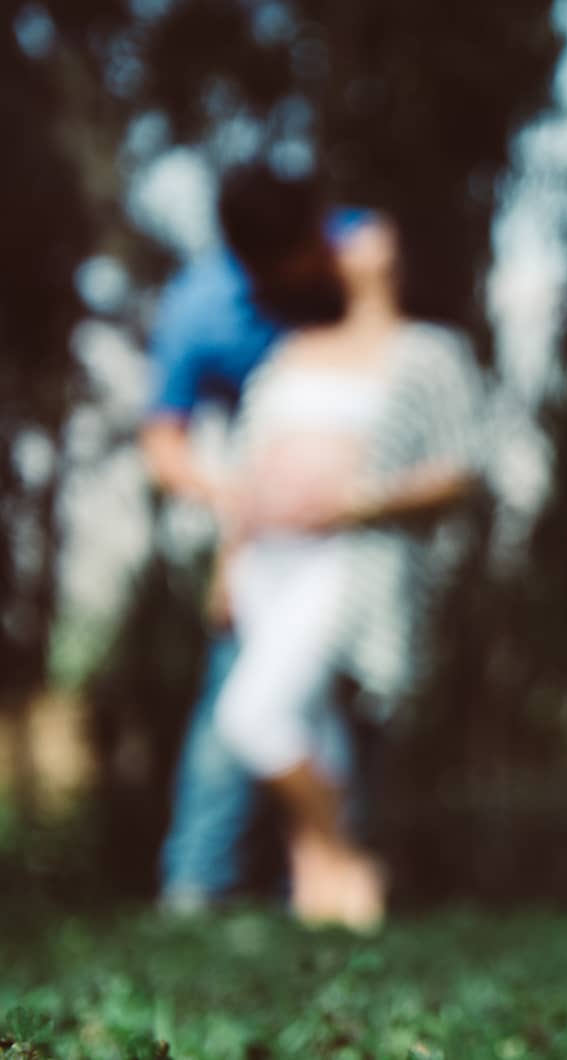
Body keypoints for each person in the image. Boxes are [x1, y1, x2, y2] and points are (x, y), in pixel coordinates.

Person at [211, 208, 484, 929]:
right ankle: (325, 898)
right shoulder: (291, 350)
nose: (345, 236)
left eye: (362, 226)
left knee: (253, 714)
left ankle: (347, 858)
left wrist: (356, 502)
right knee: (313, 728)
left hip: (348, 559)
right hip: (266, 561)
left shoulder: (429, 353)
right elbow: (247, 461)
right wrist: (228, 556)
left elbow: (460, 471)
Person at [141, 163, 345, 911]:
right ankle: (199, 884)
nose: (316, 259)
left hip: (363, 528)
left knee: (349, 709)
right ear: (254, 262)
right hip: (268, 538)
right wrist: (240, 506)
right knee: (239, 695)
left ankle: (327, 890)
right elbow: (163, 443)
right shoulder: (200, 310)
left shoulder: (353, 252)